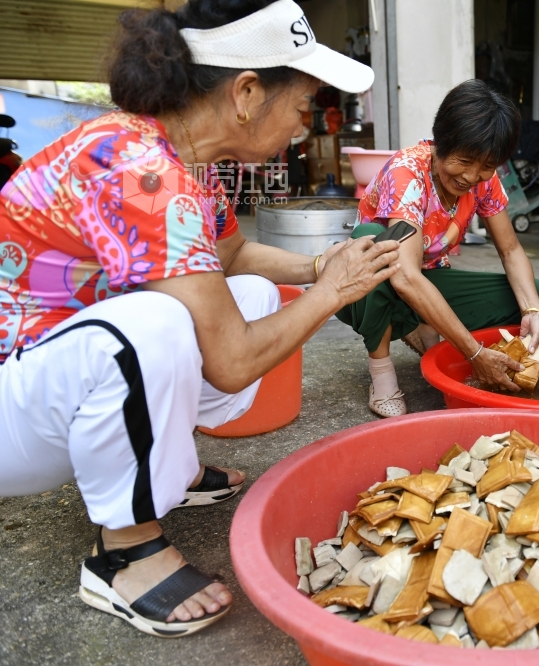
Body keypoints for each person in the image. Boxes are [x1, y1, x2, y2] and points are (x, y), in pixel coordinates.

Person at [0, 0, 400, 637]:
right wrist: (333, 293)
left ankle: (164, 466)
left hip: (54, 386)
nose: (304, 126)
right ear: (246, 93)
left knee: (248, 294)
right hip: (15, 413)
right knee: (153, 327)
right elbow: (232, 360)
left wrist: (324, 264)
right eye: (301, 108)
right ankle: (124, 554)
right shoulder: (141, 171)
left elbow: (232, 254)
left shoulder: (188, 163)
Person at [337, 79, 539, 417]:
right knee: (374, 243)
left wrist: (532, 310)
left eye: (486, 166)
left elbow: (510, 250)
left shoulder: (484, 182)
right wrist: (474, 353)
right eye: (464, 160)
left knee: (532, 292)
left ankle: (428, 332)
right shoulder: (408, 173)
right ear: (440, 143)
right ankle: (381, 371)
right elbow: (405, 277)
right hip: (375, 286)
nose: (471, 176)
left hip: (430, 278)